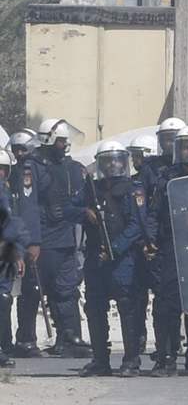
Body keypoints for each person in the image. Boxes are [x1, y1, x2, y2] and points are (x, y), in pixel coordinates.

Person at [67, 141, 147, 377]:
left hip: (122, 259)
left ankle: (131, 360)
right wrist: (85, 212)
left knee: (127, 307)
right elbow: (66, 210)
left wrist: (116, 247)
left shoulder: (133, 188)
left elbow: (136, 226)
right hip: (95, 257)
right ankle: (100, 360)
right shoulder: (91, 188)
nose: (112, 164)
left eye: (117, 160)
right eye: (108, 160)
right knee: (94, 307)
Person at [144, 126, 188, 376]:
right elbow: (153, 213)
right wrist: (150, 239)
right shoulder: (165, 178)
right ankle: (166, 357)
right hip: (171, 244)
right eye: (185, 146)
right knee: (165, 304)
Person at [33, 120, 90, 358]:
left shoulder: (71, 167)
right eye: (60, 140)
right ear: (48, 140)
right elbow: (28, 205)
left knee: (67, 289)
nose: (64, 145)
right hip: (45, 239)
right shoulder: (34, 167)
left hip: (67, 236)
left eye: (66, 141)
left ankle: (71, 336)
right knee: (49, 290)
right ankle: (57, 336)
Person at [3, 130, 45, 360]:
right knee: (6, 295)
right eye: (15, 150)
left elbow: (29, 211)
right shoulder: (15, 172)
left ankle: (26, 338)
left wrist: (33, 242)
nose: (19, 154)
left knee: (29, 292)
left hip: (21, 240)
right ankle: (7, 342)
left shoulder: (28, 170)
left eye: (22, 149)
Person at [0, 150, 28, 368]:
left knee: (4, 298)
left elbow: (15, 225)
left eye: (4, 169)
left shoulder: (9, 195)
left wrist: (18, 252)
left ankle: (3, 346)